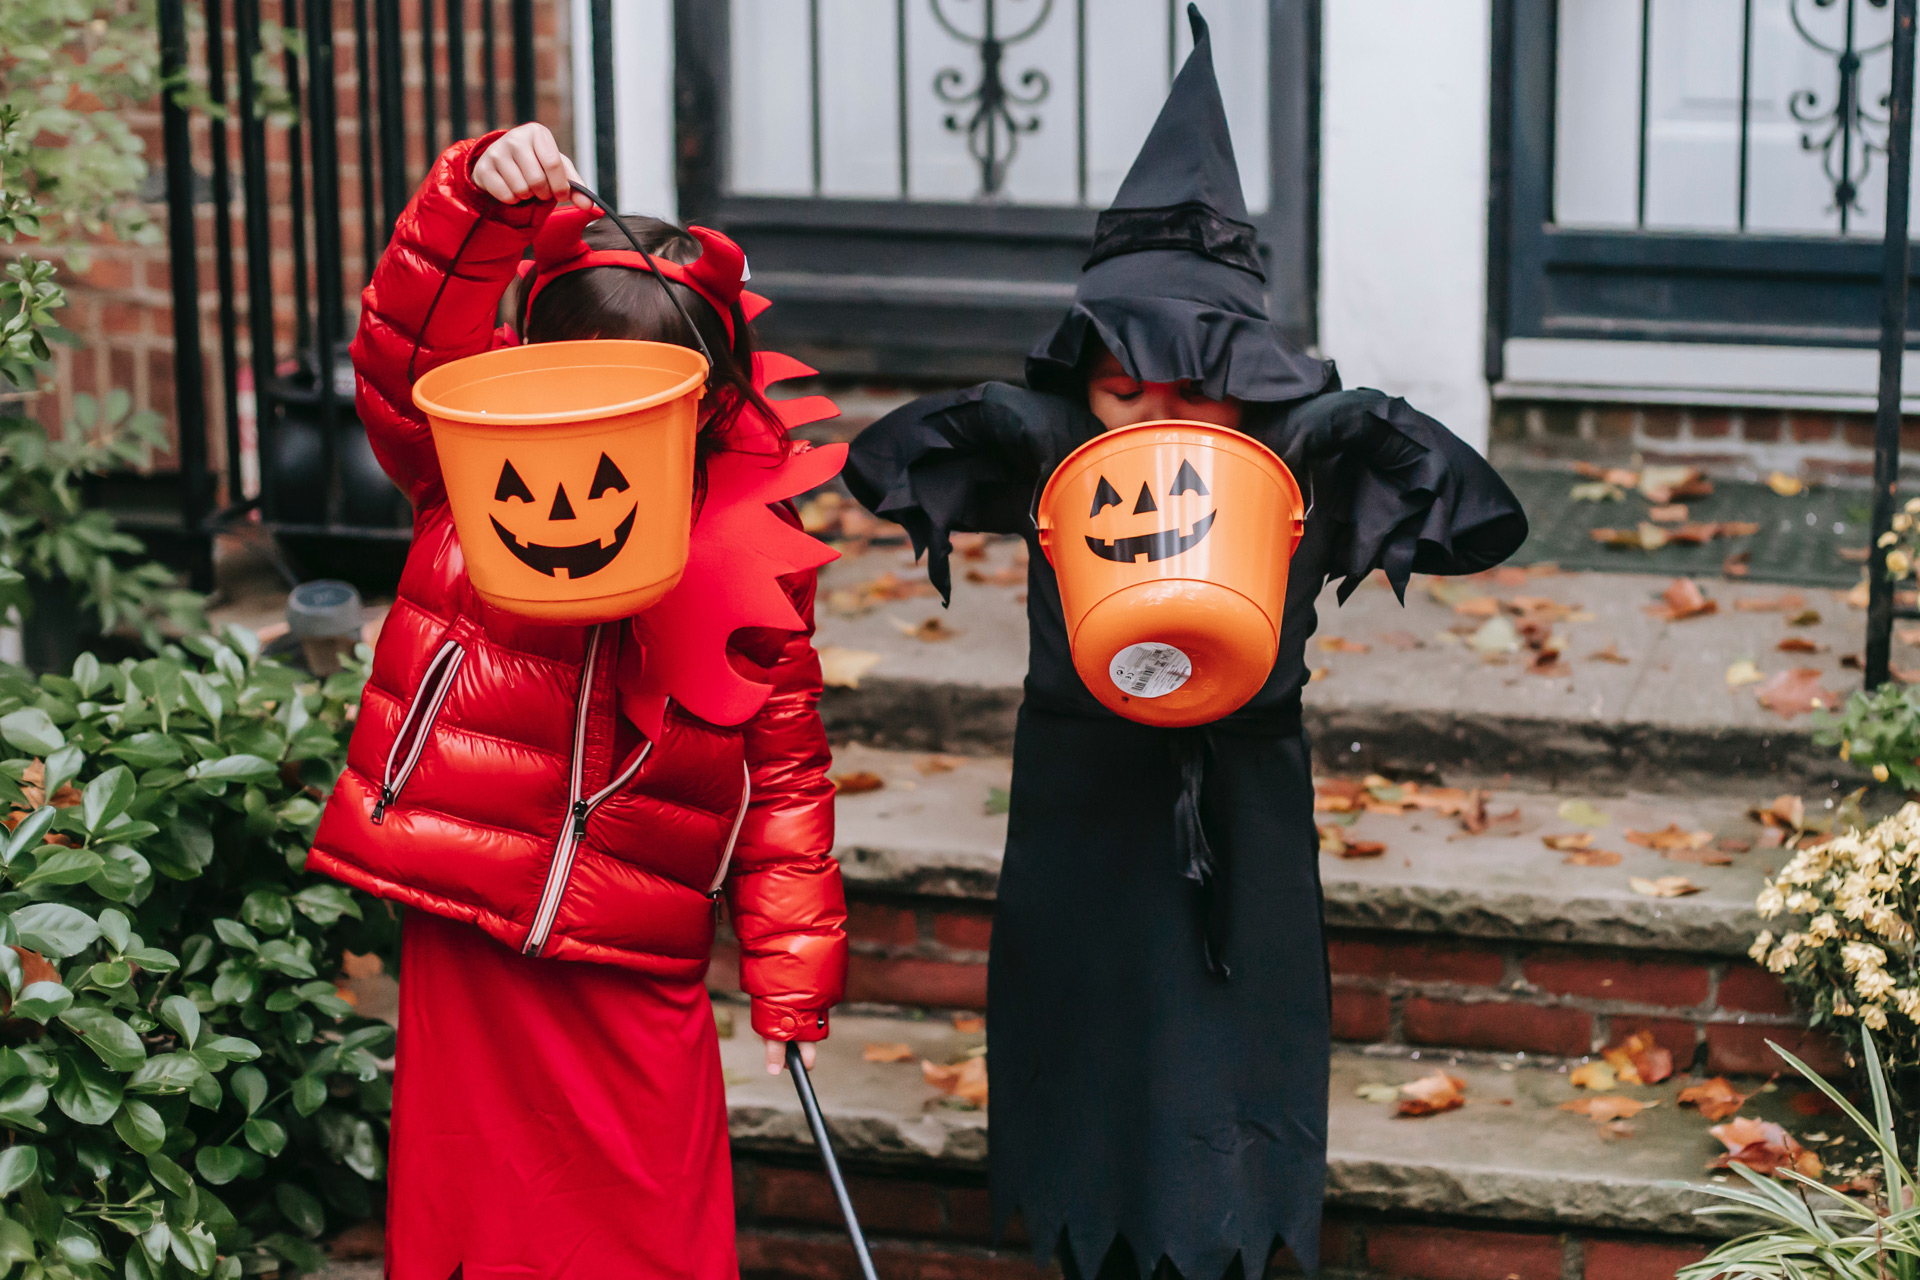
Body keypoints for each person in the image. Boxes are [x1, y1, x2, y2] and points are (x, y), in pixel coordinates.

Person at [843, 10, 1529, 1279]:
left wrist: (1341, 423)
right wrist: (1031, 420)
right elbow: (876, 464)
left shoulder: (1294, 463)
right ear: (1078, 388)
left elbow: (1484, 520)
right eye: (1119, 388)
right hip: (1080, 813)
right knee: (1092, 1133)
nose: (1153, 416)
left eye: (1191, 386)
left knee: (1232, 1153)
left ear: (1249, 380)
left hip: (1243, 828)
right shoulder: (1055, 451)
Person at [308, 123, 850, 1280]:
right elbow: (408, 350)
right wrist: (478, 200)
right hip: (472, 915)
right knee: (481, 1230)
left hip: (632, 948)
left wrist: (791, 975)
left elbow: (787, 776)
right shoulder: (461, 475)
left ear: (706, 411)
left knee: (650, 1231)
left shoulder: (754, 562)